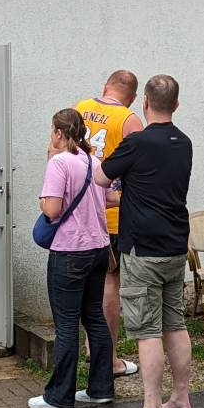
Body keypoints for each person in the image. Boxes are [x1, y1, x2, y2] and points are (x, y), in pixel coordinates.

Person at [93, 75, 193, 408]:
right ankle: (180, 400)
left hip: (142, 249)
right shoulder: (184, 142)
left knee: (147, 330)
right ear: (176, 104)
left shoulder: (137, 143)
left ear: (145, 103)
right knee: (175, 324)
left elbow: (101, 177)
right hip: (175, 246)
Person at [28, 109, 115, 408]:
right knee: (94, 318)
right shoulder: (93, 161)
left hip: (70, 251)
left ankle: (59, 395)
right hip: (99, 248)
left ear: (58, 133)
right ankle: (101, 388)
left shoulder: (59, 163)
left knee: (66, 325)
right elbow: (110, 198)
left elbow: (52, 209)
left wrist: (42, 200)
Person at [74, 71, 144, 380]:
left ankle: (91, 346)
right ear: (132, 97)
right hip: (112, 215)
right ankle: (109, 357)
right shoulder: (129, 120)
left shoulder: (80, 108)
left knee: (86, 282)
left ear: (105, 86)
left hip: (80, 211)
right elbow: (142, 168)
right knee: (109, 285)